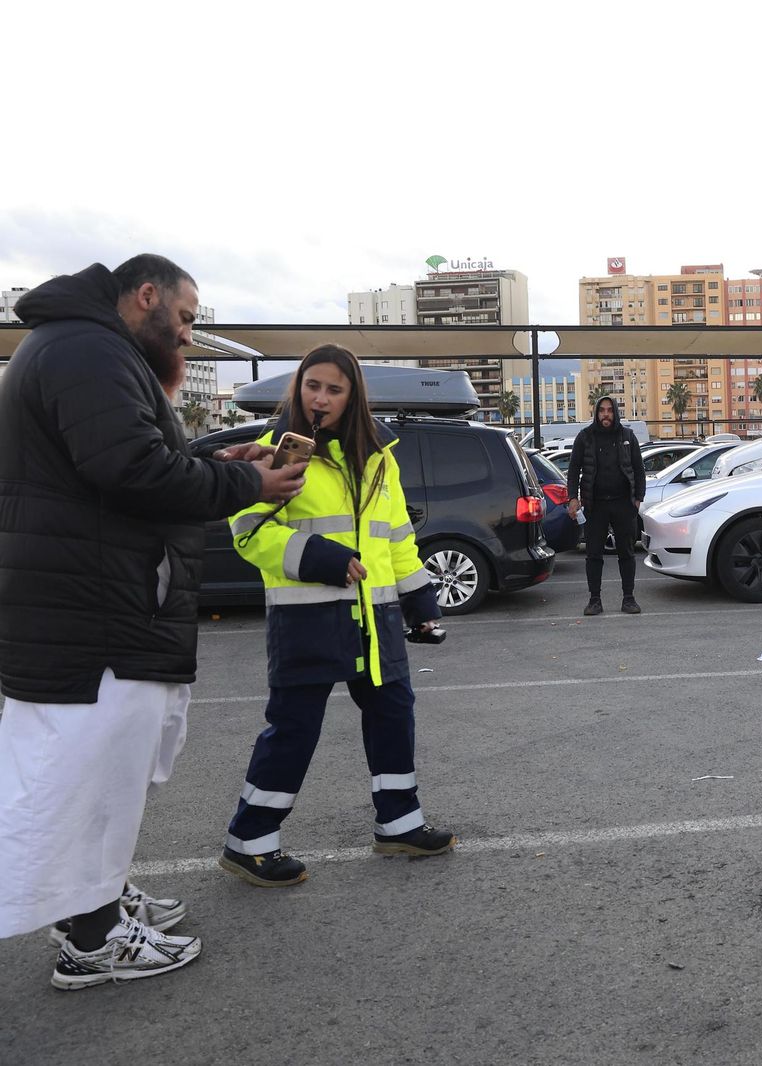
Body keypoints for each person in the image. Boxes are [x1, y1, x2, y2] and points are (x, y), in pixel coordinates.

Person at [0, 255, 307, 990]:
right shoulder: (87, 349)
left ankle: (97, 902)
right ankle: (92, 938)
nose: (190, 335)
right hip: (94, 612)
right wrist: (247, 481)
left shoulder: (85, 345)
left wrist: (226, 461)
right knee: (91, 777)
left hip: (92, 603)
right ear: (146, 296)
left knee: (104, 774)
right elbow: (133, 472)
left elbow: (128, 459)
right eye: (187, 317)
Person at [219, 344, 456, 888]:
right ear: (298, 389)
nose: (320, 398)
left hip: (376, 618)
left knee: (394, 714)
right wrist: (319, 557)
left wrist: (420, 603)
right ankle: (249, 840)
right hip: (306, 617)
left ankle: (399, 823)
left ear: (353, 397)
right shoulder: (276, 453)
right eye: (312, 386)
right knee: (294, 729)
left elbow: (396, 537)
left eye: (334, 389)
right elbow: (248, 533)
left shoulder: (380, 458)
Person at [566, 395, 647, 616]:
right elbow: (573, 470)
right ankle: (594, 600)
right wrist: (573, 498)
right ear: (596, 413)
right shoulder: (585, 437)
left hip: (623, 504)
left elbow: (639, 469)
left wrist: (638, 498)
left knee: (626, 553)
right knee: (593, 555)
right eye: (602, 410)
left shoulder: (627, 436)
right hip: (595, 505)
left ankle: (629, 599)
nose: (606, 414)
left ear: (615, 413)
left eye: (609, 410)